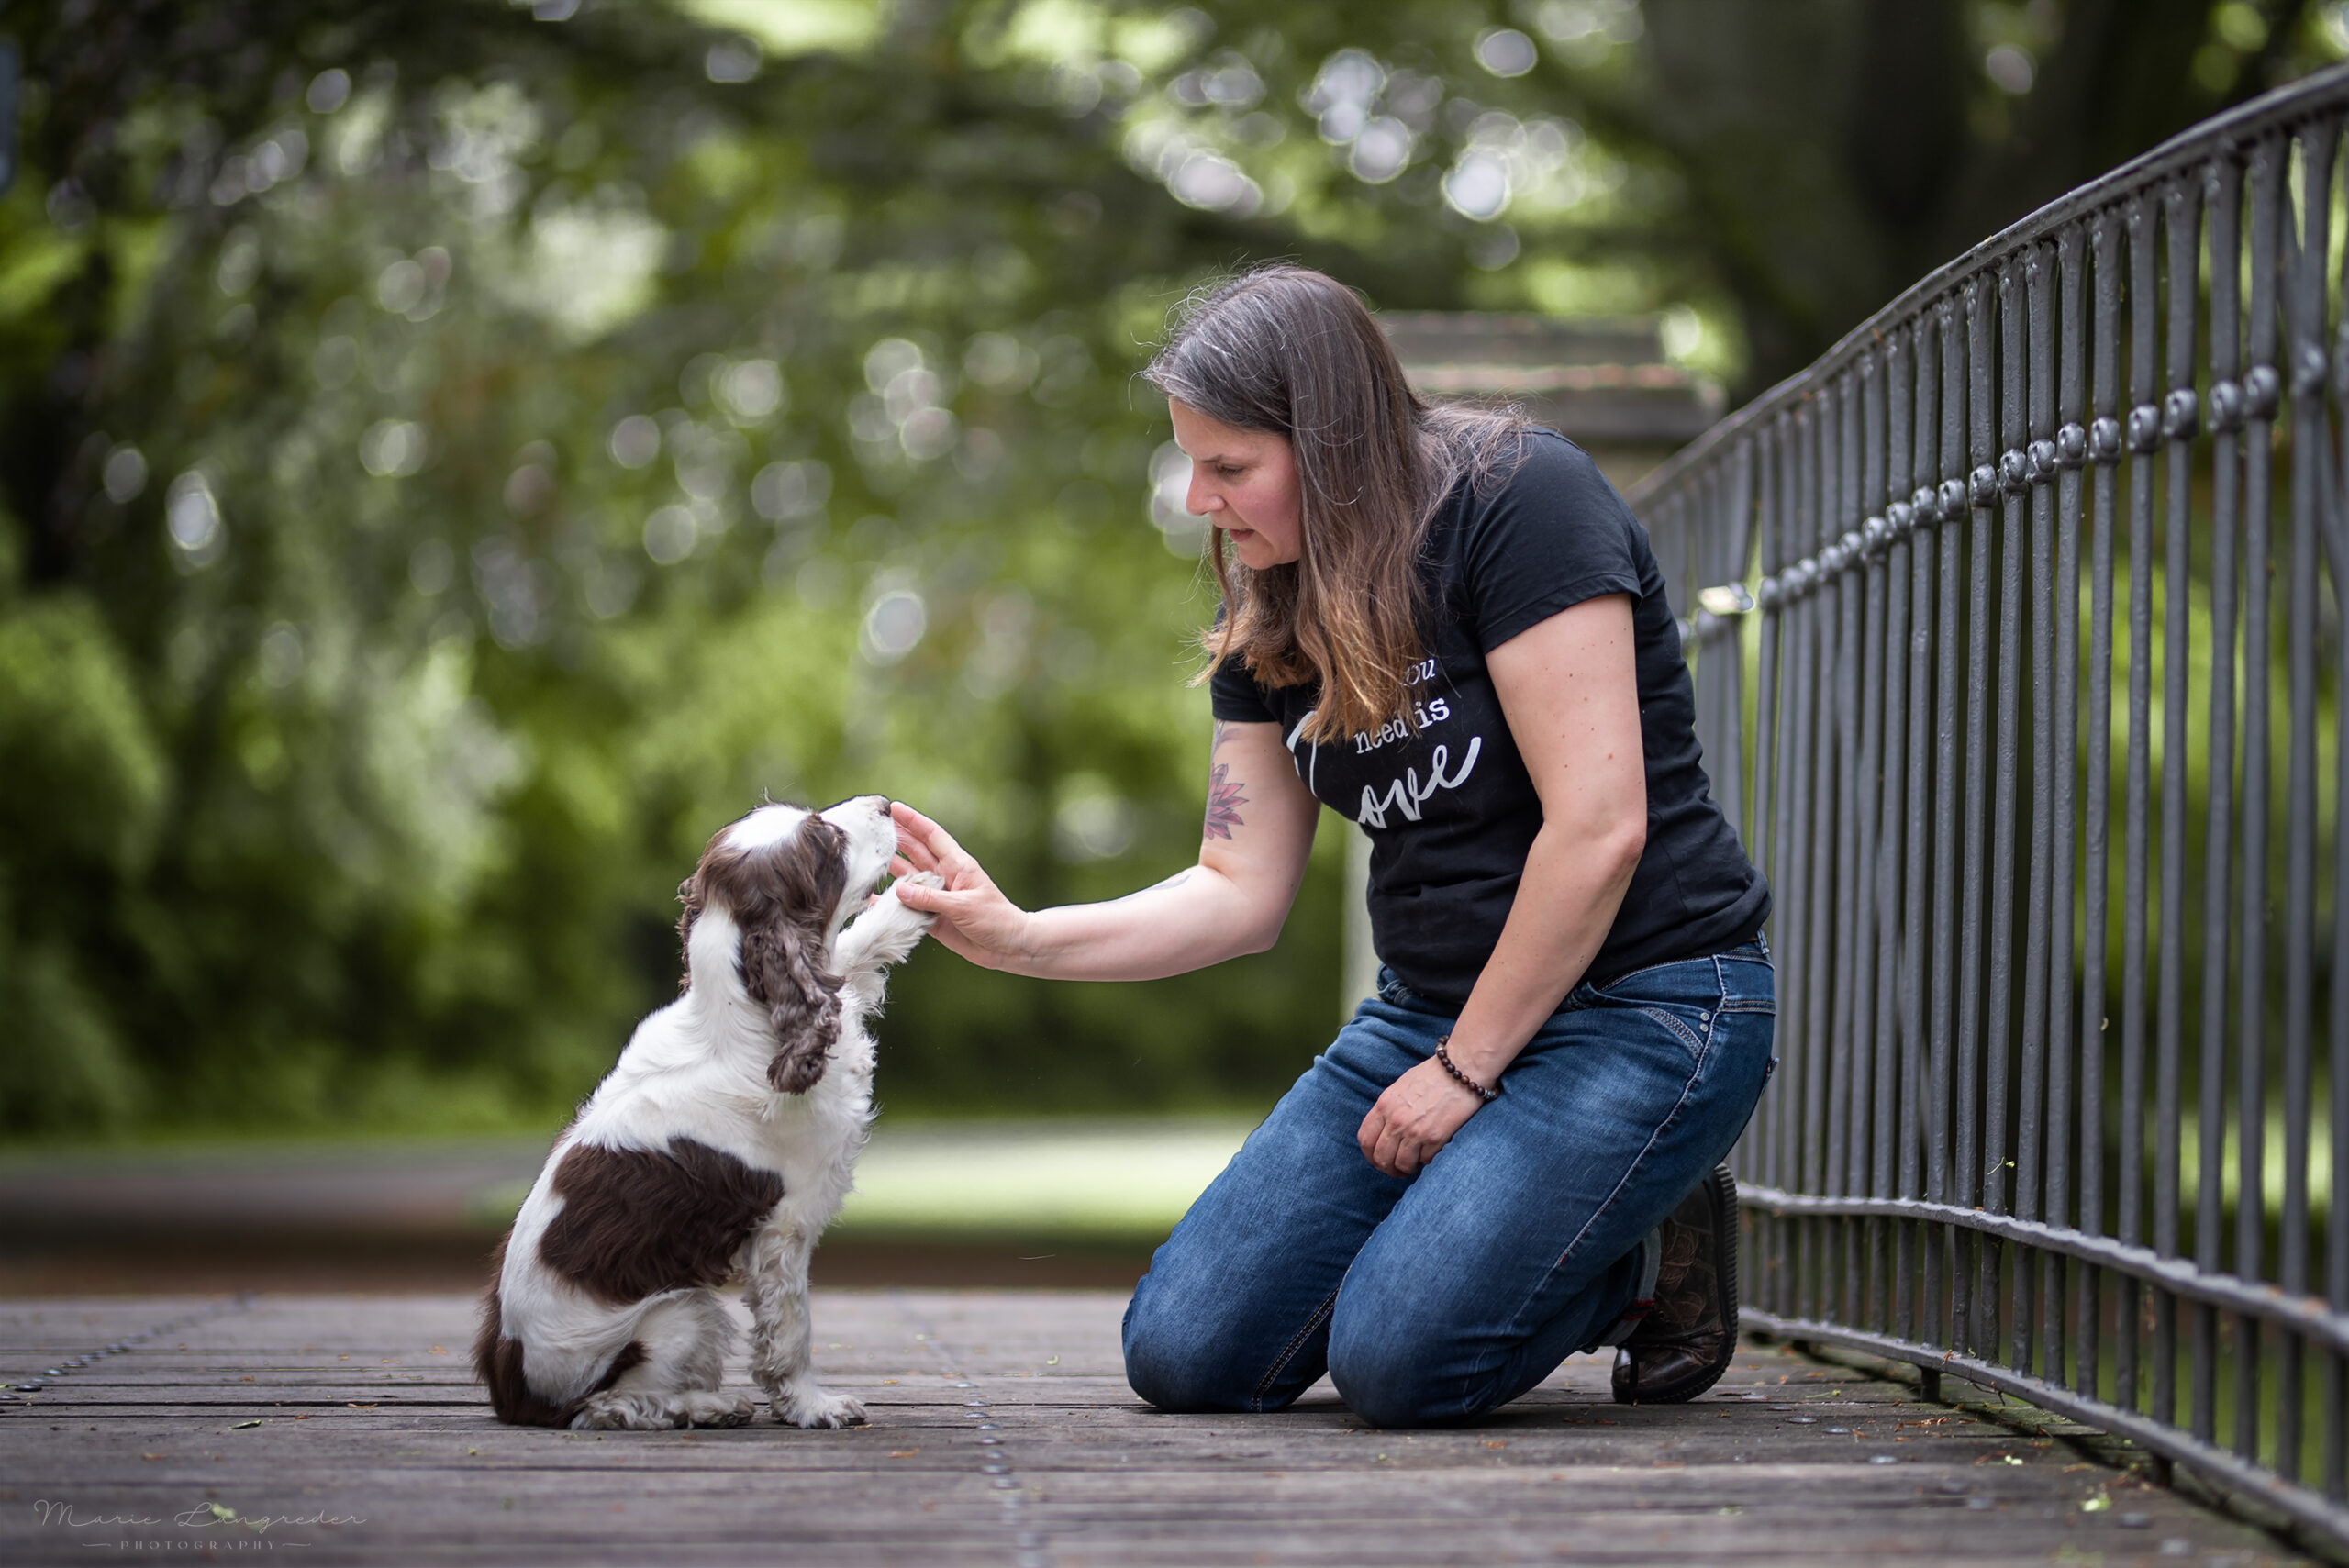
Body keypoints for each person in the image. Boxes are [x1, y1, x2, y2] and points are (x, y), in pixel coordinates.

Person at [888, 264, 1774, 1428]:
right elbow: (1235, 887)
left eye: (1230, 466)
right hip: (1427, 1009)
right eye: (1191, 464)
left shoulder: (1520, 499)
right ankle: (1538, 1223)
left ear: (1335, 441)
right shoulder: (1271, 603)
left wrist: (1463, 1073)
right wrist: (1018, 938)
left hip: (1646, 1000)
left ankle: (1646, 1256)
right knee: (1184, 1350)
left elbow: (1599, 829)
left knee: (1401, 1360)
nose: (1200, 499)